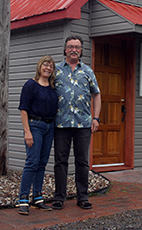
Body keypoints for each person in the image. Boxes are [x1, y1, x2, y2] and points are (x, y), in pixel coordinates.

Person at [52, 35, 101, 210]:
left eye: (77, 47)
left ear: (81, 51)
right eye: (71, 46)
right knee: (60, 161)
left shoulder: (88, 71)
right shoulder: (56, 70)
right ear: (65, 49)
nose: (74, 50)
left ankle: (82, 197)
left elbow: (96, 94)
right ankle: (59, 198)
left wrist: (96, 118)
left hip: (83, 124)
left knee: (82, 162)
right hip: (60, 125)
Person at [17, 55, 58, 215]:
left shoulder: (53, 88)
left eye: (51, 66)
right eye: (45, 65)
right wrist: (27, 132)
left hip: (50, 127)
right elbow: (23, 109)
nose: (48, 68)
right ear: (40, 66)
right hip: (35, 126)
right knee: (32, 163)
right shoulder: (30, 85)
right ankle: (23, 199)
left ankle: (37, 197)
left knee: (42, 163)